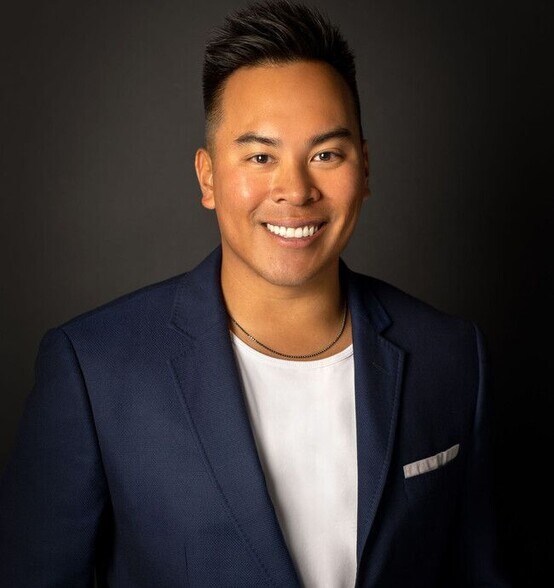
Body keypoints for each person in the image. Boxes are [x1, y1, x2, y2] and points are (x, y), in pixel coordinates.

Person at [0, 1, 510, 586]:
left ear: (364, 167)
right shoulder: (94, 369)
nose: (295, 189)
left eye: (325, 154)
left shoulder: (451, 356)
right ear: (208, 177)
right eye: (261, 156)